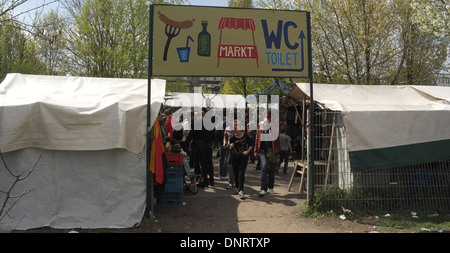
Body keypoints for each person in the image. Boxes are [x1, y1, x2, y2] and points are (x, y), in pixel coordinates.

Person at [254, 110, 280, 197]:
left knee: (272, 169)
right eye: (266, 117)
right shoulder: (260, 124)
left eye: (269, 117)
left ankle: (271, 186)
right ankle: (263, 188)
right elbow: (257, 137)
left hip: (272, 149)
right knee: (264, 166)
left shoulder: (275, 124)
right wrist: (255, 150)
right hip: (262, 150)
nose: (267, 119)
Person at [229, 121, 253, 199]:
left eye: (236, 129)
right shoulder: (232, 138)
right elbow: (229, 148)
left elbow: (251, 146)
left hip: (243, 157)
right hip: (235, 157)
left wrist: (247, 152)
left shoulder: (246, 136)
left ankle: (241, 190)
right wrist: (231, 146)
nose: (235, 131)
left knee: (241, 172)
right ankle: (237, 186)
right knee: (236, 172)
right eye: (234, 129)